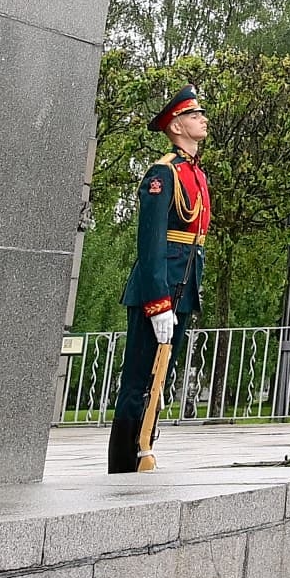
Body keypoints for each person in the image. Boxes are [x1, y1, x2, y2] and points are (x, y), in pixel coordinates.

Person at [108, 84, 215, 471]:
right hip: (159, 289)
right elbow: (151, 242)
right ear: (175, 126)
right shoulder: (162, 173)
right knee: (138, 381)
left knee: (160, 378)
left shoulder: (195, 174)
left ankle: (145, 451)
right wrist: (158, 302)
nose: (202, 119)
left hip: (183, 286)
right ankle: (123, 467)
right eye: (193, 115)